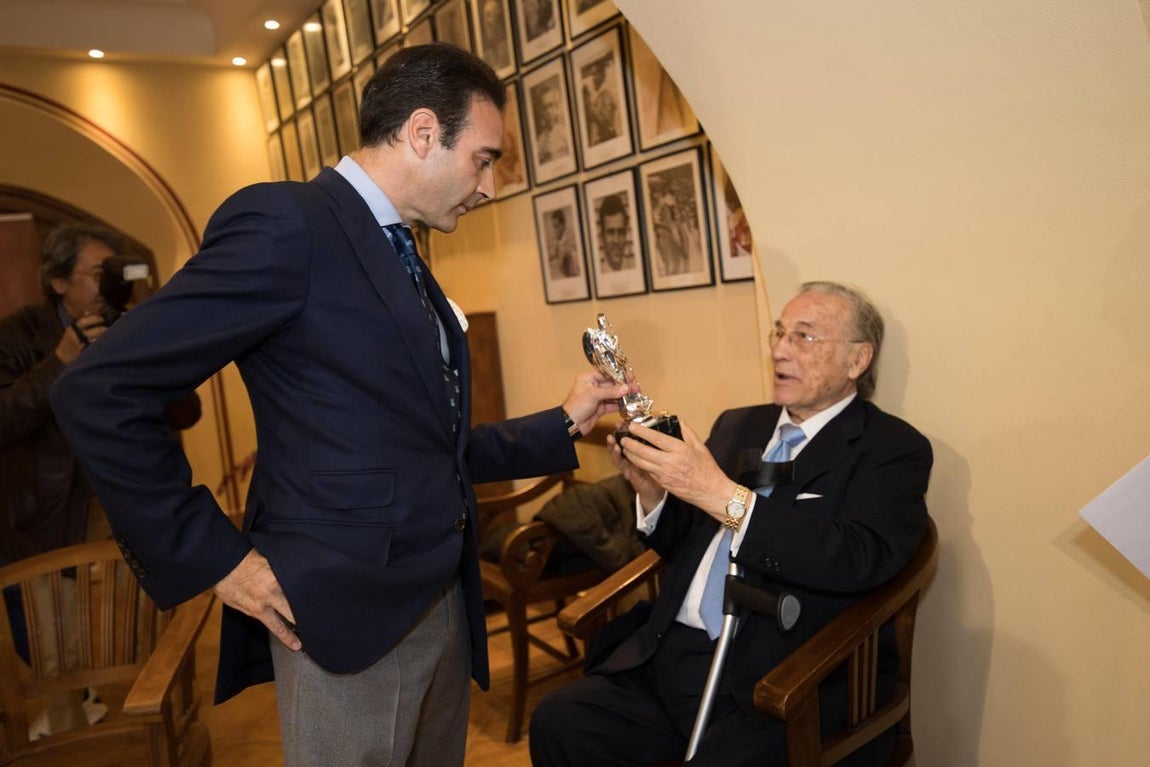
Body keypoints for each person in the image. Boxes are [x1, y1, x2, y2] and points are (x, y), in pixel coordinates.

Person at [51, 43, 630, 767]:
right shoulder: (289, 223)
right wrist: (216, 558)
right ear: (423, 133)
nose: (488, 186)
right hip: (347, 622)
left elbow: (428, 450)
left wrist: (564, 421)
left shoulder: (405, 253)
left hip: (443, 607)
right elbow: (98, 389)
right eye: (484, 158)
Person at [530, 281, 933, 767]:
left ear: (857, 360)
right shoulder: (740, 424)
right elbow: (691, 542)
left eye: (803, 337)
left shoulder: (890, 449)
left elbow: (856, 557)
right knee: (561, 719)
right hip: (670, 654)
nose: (780, 350)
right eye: (779, 333)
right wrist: (652, 491)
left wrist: (721, 494)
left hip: (777, 679)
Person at [0, 223, 119, 735]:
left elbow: (181, 411)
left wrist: (138, 347)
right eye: (97, 275)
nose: (107, 286)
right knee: (45, 639)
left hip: (107, 499)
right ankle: (70, 725)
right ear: (59, 283)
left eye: (113, 274)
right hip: (40, 512)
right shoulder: (16, 334)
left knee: (106, 631)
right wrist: (60, 363)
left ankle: (93, 702)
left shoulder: (119, 324)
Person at [597, 193, 634, 272]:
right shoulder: (598, 272)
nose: (616, 241)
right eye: (610, 233)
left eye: (621, 232)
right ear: (602, 236)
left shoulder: (634, 268)